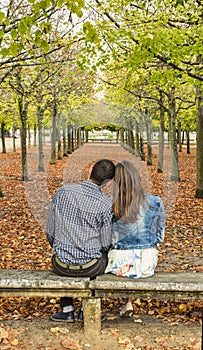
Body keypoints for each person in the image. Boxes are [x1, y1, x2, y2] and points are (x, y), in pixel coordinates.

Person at [46, 159, 115, 322]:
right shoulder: (106, 204)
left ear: (90, 171)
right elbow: (106, 244)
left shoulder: (62, 193)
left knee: (62, 254)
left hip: (61, 265)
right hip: (90, 268)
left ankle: (67, 309)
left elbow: (50, 232)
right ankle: (87, 310)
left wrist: (62, 248)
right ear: (108, 182)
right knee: (102, 258)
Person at [105, 160, 165, 317]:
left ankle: (127, 302)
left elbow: (108, 239)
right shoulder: (155, 201)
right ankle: (128, 303)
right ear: (137, 179)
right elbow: (160, 234)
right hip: (147, 264)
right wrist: (151, 245)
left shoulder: (113, 206)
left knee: (117, 256)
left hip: (121, 265)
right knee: (136, 255)